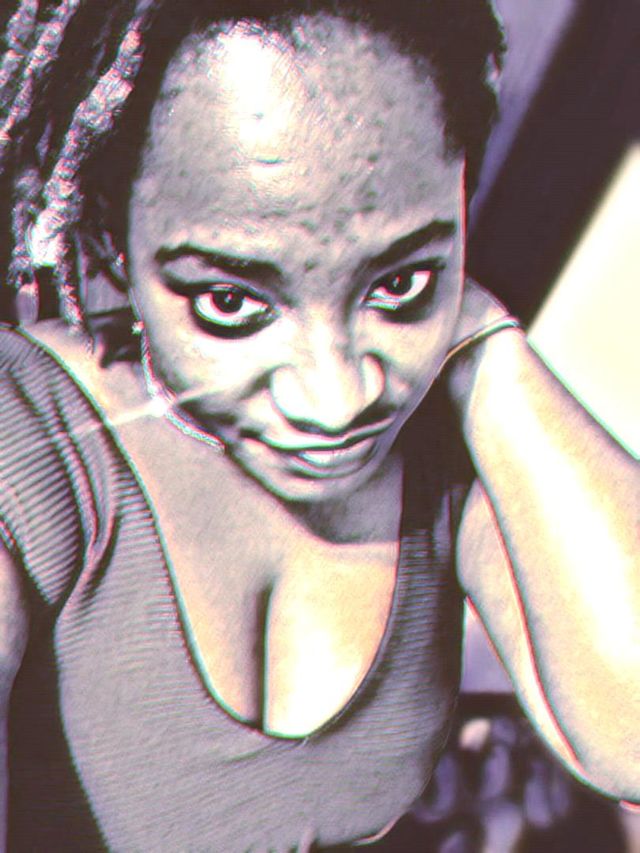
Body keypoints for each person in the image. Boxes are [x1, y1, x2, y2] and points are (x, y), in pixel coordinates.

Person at [0, 0, 638, 849]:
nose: (337, 401)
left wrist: (488, 345)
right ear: (113, 242)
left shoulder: (445, 446)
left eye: (402, 282)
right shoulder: (28, 435)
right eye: (230, 302)